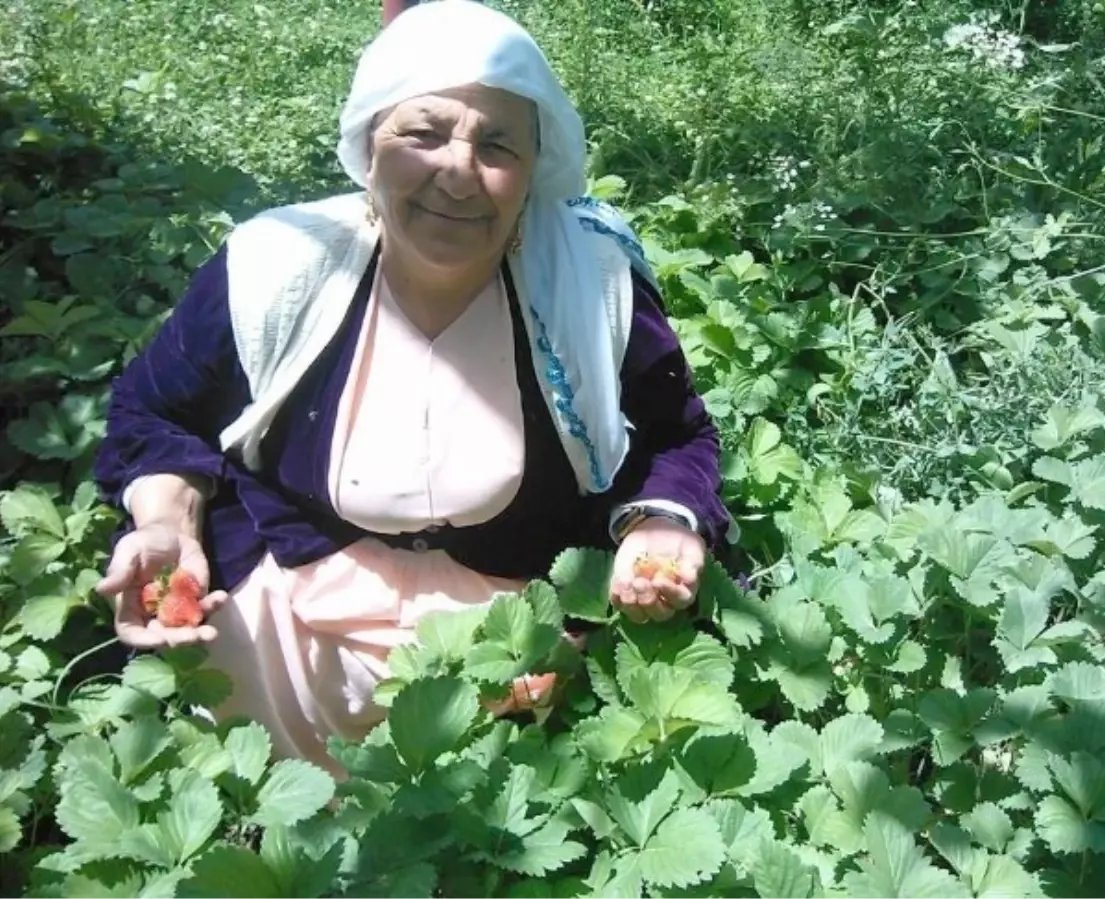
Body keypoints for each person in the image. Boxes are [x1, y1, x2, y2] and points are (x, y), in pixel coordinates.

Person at [93, 0, 734, 776]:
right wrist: (166, 521)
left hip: (507, 651)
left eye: (497, 145)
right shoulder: (276, 270)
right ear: (369, 147)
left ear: (534, 174)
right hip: (289, 640)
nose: (457, 172)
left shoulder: (590, 287)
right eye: (422, 134)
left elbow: (676, 435)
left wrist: (660, 525)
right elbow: (156, 410)